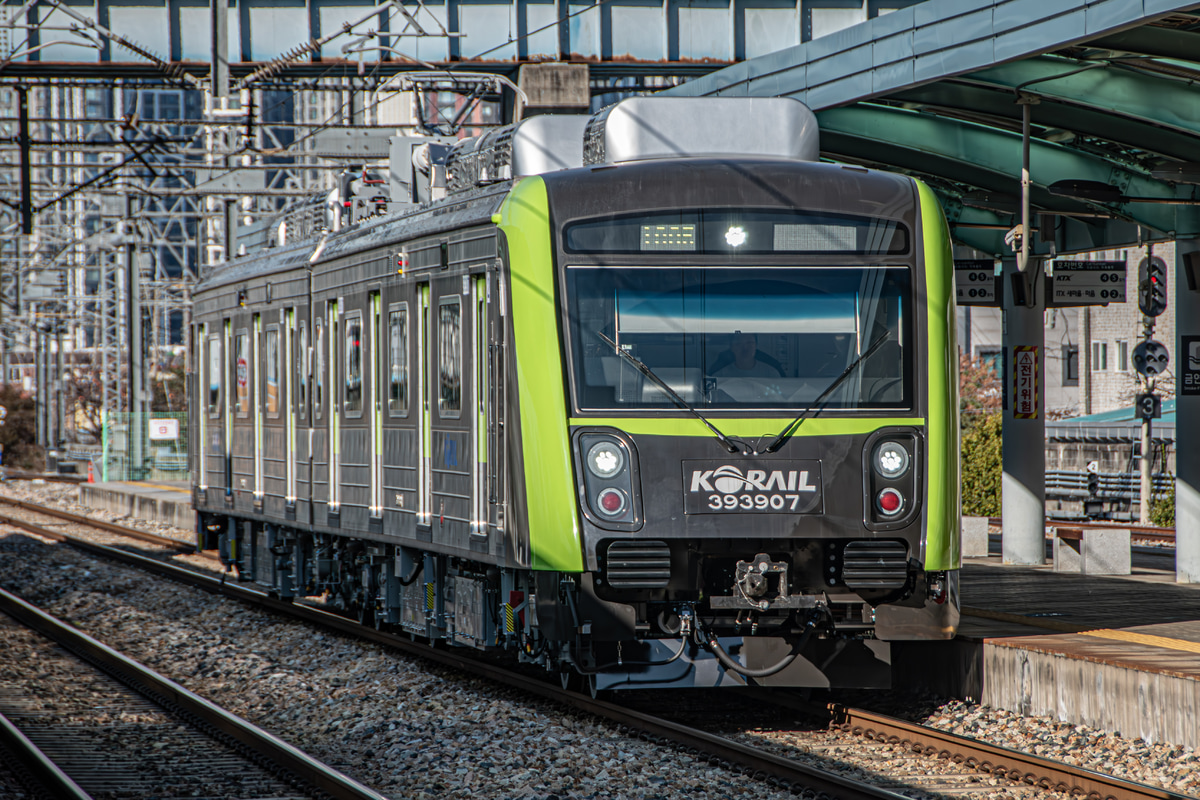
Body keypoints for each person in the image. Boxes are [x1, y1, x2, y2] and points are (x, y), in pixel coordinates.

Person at [709, 332, 784, 378]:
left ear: (756, 345)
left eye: (749, 343)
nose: (745, 348)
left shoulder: (771, 374)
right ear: (731, 347)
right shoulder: (720, 376)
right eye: (738, 343)